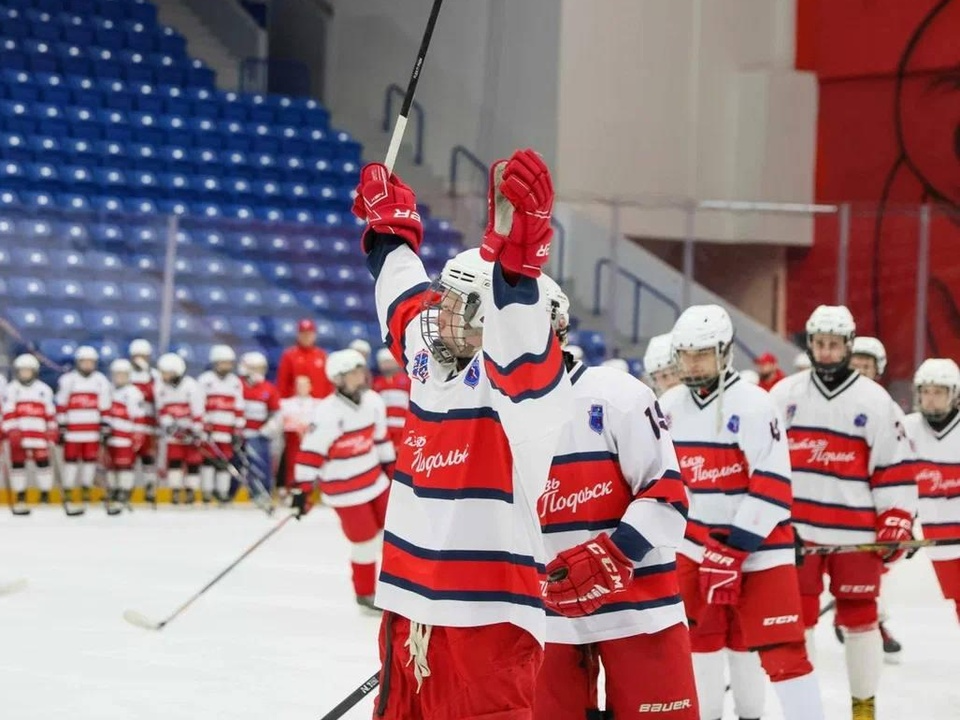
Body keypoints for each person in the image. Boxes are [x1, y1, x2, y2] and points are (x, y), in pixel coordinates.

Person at [353, 150, 571, 719]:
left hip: (488, 616)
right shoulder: (432, 355)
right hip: (410, 599)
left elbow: (517, 324)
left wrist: (517, 252)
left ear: (485, 319)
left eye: (452, 302)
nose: (436, 309)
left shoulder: (531, 391)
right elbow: (400, 292)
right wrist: (388, 230)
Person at [535, 276, 698, 720]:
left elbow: (665, 492)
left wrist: (614, 554)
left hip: (640, 603)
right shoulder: (488, 407)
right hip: (542, 614)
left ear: (555, 328)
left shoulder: (619, 395)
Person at [661, 304, 825, 720]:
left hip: (760, 549)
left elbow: (773, 486)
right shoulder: (670, 405)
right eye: (685, 354)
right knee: (697, 643)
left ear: (725, 351)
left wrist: (734, 549)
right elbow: (660, 479)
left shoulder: (754, 405)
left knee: (782, 650)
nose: (692, 363)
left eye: (702, 353)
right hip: (695, 548)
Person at [769, 305, 917, 720]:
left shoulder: (875, 401)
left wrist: (896, 519)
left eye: (835, 345)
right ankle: (804, 710)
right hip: (796, 536)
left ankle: (863, 707)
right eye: (820, 344)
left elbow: (894, 468)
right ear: (810, 345)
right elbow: (764, 464)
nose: (827, 352)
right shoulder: (784, 395)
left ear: (849, 346)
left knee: (860, 617)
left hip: (855, 534)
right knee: (796, 620)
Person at [292, 349, 395, 612]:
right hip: (345, 491)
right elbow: (310, 455)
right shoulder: (326, 413)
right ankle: (365, 594)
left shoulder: (373, 401)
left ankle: (396, 591)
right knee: (365, 543)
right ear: (338, 379)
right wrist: (303, 491)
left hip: (375, 482)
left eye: (362, 370)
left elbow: (380, 440)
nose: (361, 376)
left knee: (393, 537)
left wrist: (392, 474)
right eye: (353, 373)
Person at [841, 335, 904, 660]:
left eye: (867, 366)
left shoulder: (886, 407)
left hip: (866, 512)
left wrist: (901, 515)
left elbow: (901, 467)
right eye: (857, 365)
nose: (861, 372)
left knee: (874, 576)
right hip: (820, 509)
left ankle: (873, 622)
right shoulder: (830, 401)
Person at [906, 359, 960, 622]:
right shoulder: (906, 429)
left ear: (954, 394)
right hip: (937, 537)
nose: (930, 399)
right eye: (925, 392)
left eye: (938, 392)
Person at [56, 346, 112, 508]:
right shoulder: (67, 380)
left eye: (91, 362)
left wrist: (105, 426)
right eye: (84, 362)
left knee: (89, 461)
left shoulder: (101, 380)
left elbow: (105, 405)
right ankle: (67, 490)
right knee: (71, 462)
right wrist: (62, 426)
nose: (88, 365)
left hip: (92, 432)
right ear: (78, 362)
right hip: (73, 432)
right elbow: (61, 404)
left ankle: (86, 489)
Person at [2, 354, 57, 512]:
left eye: (28, 371)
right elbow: (8, 412)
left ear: (34, 372)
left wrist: (51, 430)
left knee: (43, 463)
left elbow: (50, 413)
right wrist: (12, 430)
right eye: (22, 371)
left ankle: (45, 494)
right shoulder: (11, 389)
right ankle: (20, 495)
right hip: (19, 436)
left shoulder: (44, 390)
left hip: (39, 435)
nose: (25, 374)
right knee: (18, 465)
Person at [154, 353, 205, 505]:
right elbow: (162, 410)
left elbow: (198, 411)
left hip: (190, 433)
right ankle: (175, 491)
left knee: (193, 463)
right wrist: (169, 425)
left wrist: (195, 430)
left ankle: (191, 491)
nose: (163, 376)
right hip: (173, 433)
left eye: (166, 372)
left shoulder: (191, 386)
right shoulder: (161, 387)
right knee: (174, 461)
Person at [197, 345, 245, 504]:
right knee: (208, 462)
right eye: (223, 363)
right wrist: (203, 426)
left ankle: (222, 492)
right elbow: (198, 405)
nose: (226, 366)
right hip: (210, 430)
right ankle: (206, 492)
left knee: (225, 463)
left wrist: (237, 430)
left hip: (227, 431)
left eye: (229, 363)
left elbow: (239, 407)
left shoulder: (235, 382)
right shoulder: (205, 380)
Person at [104, 359, 145, 509]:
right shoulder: (108, 390)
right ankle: (113, 489)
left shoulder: (134, 393)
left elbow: (139, 416)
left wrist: (138, 435)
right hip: (110, 437)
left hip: (125, 437)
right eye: (117, 374)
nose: (119, 377)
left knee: (124, 465)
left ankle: (125, 490)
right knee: (110, 465)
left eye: (123, 375)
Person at [239, 351, 281, 495]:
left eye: (261, 368)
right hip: (238, 435)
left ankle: (261, 492)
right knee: (235, 464)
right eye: (255, 368)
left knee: (260, 465)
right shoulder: (237, 386)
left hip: (258, 435)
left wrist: (266, 430)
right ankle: (230, 493)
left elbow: (276, 414)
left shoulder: (269, 388)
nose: (259, 372)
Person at [128, 339, 159, 503]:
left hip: (149, 424)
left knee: (149, 458)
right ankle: (126, 489)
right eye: (137, 356)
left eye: (144, 356)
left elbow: (158, 397)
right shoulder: (126, 373)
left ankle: (150, 488)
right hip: (130, 425)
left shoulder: (154, 375)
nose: (140, 359)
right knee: (128, 458)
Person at [278, 375, 322, 493]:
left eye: (305, 384)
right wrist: (298, 428)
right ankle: (291, 488)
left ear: (310, 386)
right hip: (293, 440)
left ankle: (310, 490)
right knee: (292, 464)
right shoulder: (286, 404)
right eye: (299, 385)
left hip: (312, 440)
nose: (302, 387)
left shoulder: (319, 404)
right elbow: (284, 422)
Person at [276, 319, 334, 399]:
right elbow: (283, 382)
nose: (306, 337)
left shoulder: (322, 355)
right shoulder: (289, 355)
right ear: (298, 335)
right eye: (303, 334)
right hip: (296, 405)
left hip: (319, 402)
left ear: (314, 335)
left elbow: (328, 382)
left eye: (309, 334)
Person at [371, 347, 410, 454]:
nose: (387, 365)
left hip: (403, 427)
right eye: (384, 362)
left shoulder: (407, 380)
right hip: (384, 427)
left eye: (389, 362)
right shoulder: (376, 383)